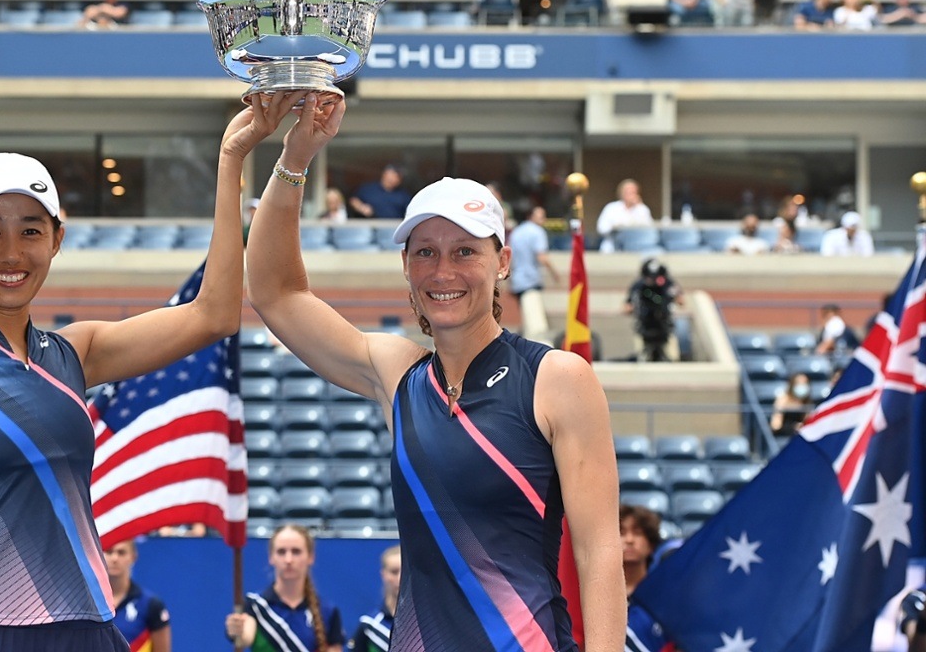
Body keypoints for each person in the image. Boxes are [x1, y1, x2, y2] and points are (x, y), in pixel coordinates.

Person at [0, 90, 323, 652]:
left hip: (89, 633)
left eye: (30, 230)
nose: (11, 252)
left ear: (57, 239)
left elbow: (214, 316)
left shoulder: (74, 353)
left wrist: (232, 160)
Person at [246, 94, 625, 651]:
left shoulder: (557, 378)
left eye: (465, 251)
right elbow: (274, 293)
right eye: (425, 252)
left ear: (502, 262)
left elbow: (599, 551)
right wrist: (295, 158)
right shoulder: (398, 375)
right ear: (405, 266)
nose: (443, 270)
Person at [225, 524, 345, 652]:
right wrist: (237, 629)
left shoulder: (328, 611)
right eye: (281, 552)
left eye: (296, 552)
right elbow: (245, 637)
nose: (288, 560)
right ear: (271, 557)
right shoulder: (254, 606)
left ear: (310, 557)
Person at [104, 540, 171, 652]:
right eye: (109, 552)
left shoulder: (152, 605)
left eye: (121, 552)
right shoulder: (89, 601)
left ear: (133, 557)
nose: (114, 558)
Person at [620, 505, 670, 652]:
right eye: (621, 533)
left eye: (638, 533)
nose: (629, 540)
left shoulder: (665, 595)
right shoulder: (595, 595)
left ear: (651, 545)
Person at [624, 258, 684, 362]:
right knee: (642, 358)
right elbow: (627, 306)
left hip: (664, 325)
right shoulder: (639, 286)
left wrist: (667, 299)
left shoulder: (668, 284)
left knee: (672, 358)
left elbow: (681, 301)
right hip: (645, 325)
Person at [348, 545, 399, 652]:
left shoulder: (425, 623)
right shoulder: (369, 625)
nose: (400, 578)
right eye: (394, 572)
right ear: (384, 574)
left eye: (405, 572)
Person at [508, 202, 560, 300]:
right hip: (531, 280)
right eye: (541, 217)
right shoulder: (538, 231)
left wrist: (509, 279)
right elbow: (542, 257)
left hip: (517, 281)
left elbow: (509, 257)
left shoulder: (516, 231)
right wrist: (554, 273)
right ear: (531, 216)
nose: (544, 219)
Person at [596, 178, 654, 253]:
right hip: (613, 248)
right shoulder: (611, 208)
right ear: (622, 193)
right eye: (628, 192)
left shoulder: (642, 209)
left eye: (634, 192)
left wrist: (639, 207)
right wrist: (617, 226)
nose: (632, 195)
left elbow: (649, 229)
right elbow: (601, 228)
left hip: (637, 249)